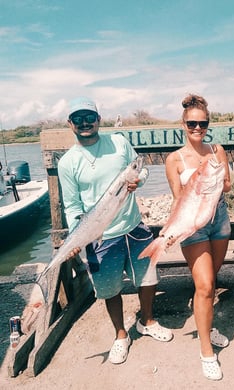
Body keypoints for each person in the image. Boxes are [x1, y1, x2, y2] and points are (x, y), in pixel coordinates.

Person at [58, 97, 172, 365]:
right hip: (99, 235)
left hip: (133, 227)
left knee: (148, 278)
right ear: (70, 124)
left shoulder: (119, 143)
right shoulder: (68, 162)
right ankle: (121, 335)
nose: (85, 123)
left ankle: (147, 320)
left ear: (98, 119)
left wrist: (137, 181)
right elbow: (72, 206)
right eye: (78, 119)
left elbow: (140, 170)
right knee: (109, 289)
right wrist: (77, 236)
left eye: (89, 117)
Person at [165, 94, 231, 381]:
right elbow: (178, 200)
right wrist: (171, 230)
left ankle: (206, 323)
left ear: (208, 124)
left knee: (211, 280)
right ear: (183, 123)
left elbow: (227, 186)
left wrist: (220, 179)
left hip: (219, 220)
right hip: (194, 225)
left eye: (202, 123)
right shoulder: (174, 159)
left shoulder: (218, 150)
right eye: (192, 123)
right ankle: (206, 351)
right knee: (204, 286)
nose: (197, 128)